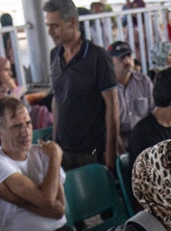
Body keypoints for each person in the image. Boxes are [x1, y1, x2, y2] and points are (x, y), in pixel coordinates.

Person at [0, 96, 97, 231]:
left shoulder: (41, 153)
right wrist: (56, 157)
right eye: (17, 126)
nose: (26, 132)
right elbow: (49, 200)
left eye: (28, 123)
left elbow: (59, 211)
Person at [45, 0, 121, 169]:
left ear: (72, 22)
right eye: (48, 26)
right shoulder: (54, 55)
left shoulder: (98, 57)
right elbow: (57, 99)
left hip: (92, 151)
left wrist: (110, 151)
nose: (50, 32)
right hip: (64, 150)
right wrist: (56, 142)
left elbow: (113, 106)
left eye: (55, 26)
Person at [108, 41, 154, 152]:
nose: (127, 61)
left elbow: (155, 113)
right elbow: (109, 127)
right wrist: (122, 155)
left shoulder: (144, 81)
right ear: (110, 62)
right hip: (118, 145)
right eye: (121, 58)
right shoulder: (106, 88)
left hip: (146, 142)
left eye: (129, 56)